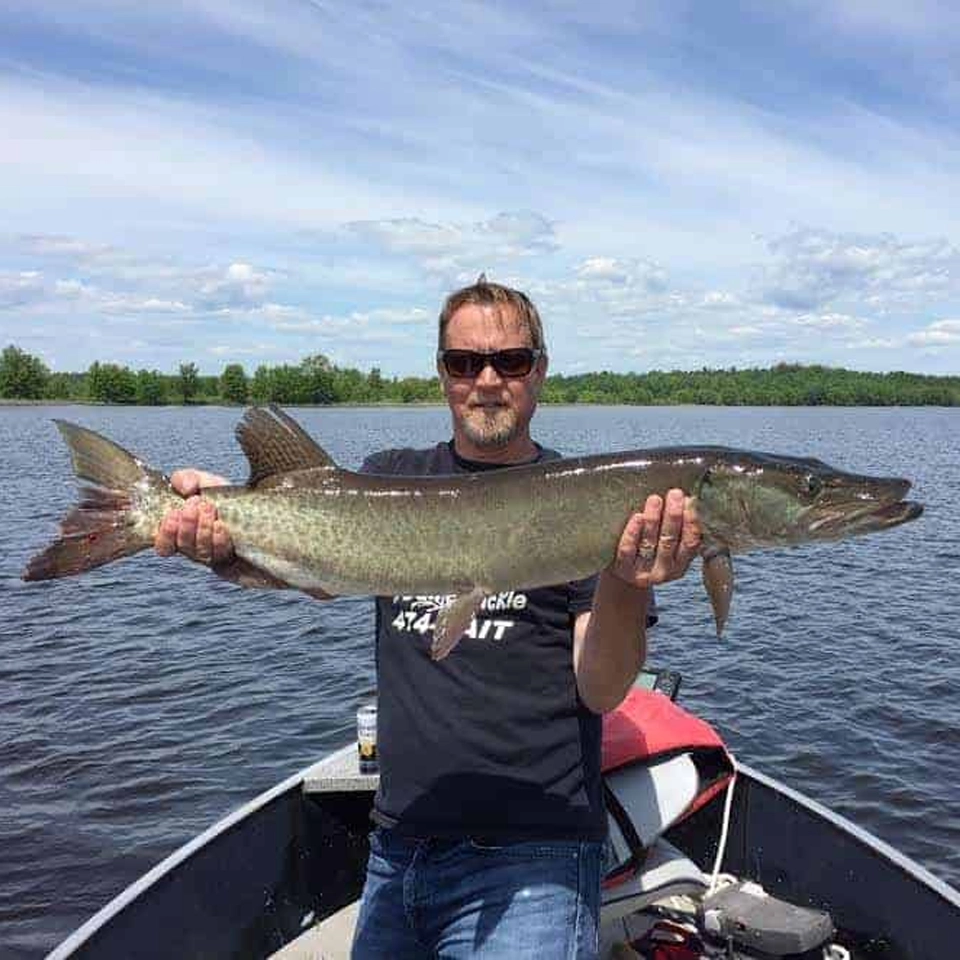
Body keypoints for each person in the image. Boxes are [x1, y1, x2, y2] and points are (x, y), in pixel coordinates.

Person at [155, 279, 701, 959]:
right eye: (464, 362)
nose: (488, 381)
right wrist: (220, 534)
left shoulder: (592, 503)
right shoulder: (388, 476)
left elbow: (601, 688)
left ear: (540, 371)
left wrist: (625, 580)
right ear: (442, 373)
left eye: (511, 361)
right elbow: (313, 574)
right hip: (397, 846)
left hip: (536, 856)